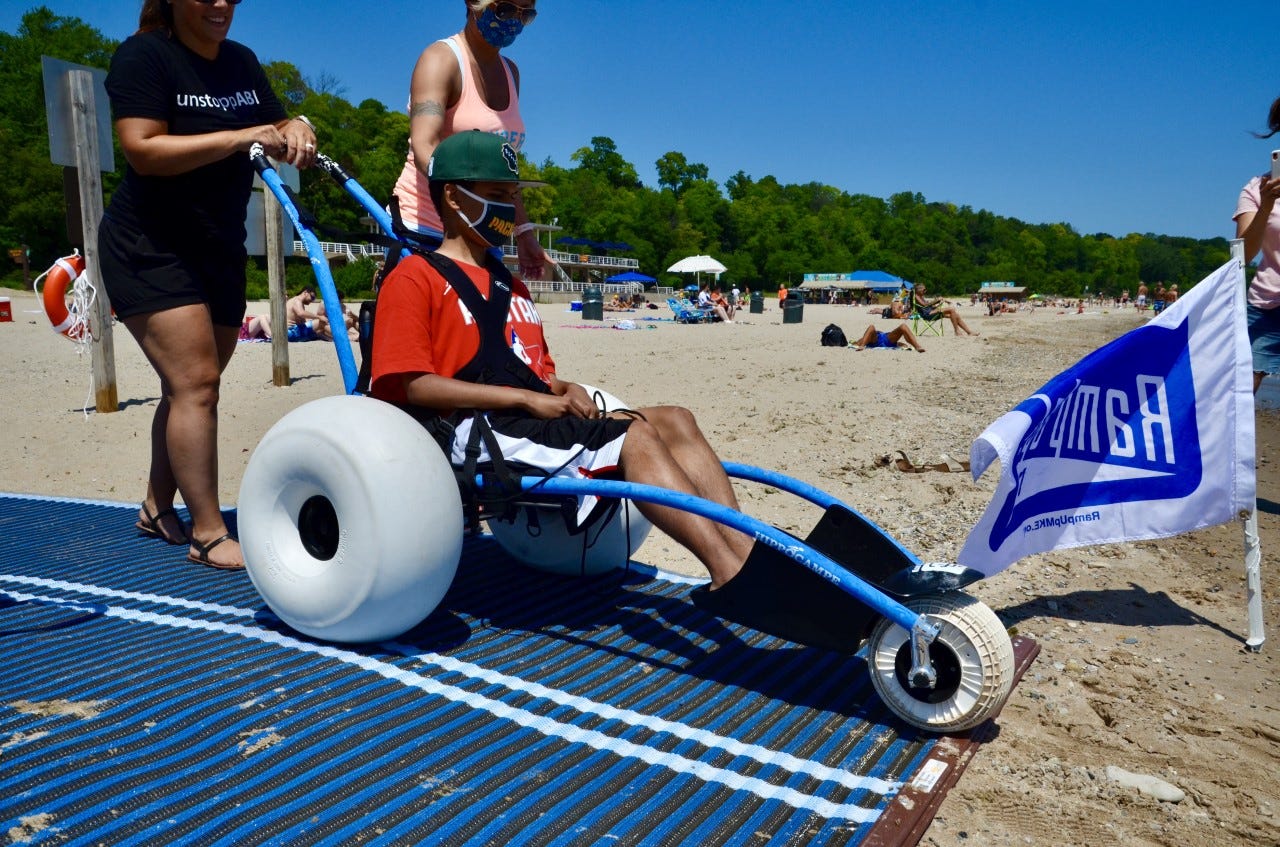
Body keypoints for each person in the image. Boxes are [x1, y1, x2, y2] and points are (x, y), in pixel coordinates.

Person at [370, 130, 753, 588]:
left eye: (512, 197)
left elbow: (531, 373)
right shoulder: (414, 277)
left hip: (521, 420)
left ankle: (748, 556)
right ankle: (730, 576)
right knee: (631, 437)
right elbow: (409, 383)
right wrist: (525, 401)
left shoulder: (510, 285)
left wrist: (559, 387)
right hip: (473, 429)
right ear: (452, 196)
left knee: (676, 420)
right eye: (497, 195)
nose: (509, 210)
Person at [97, 0, 316, 570]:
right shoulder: (145, 56)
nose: (221, 5)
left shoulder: (241, 62)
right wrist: (239, 136)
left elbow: (277, 122)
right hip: (149, 245)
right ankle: (209, 531)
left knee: (190, 385)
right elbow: (143, 150)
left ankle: (154, 505)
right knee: (196, 383)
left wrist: (297, 126)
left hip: (218, 246)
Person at [389, 0, 554, 279]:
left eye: (526, 15)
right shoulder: (441, 60)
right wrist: (463, 200)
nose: (515, 21)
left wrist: (524, 233)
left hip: (486, 234)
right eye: (506, 9)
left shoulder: (511, 73)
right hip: (427, 229)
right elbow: (423, 145)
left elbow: (504, 169)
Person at [1234, 96, 1280, 394]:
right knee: (1240, 390)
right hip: (1267, 304)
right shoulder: (1256, 189)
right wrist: (1266, 206)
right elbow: (1243, 255)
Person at [909, 283, 979, 336]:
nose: (925, 291)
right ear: (918, 290)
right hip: (928, 314)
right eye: (924, 290)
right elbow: (924, 305)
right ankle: (957, 331)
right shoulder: (916, 296)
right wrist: (936, 300)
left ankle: (969, 332)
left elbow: (928, 305)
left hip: (931, 311)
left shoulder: (921, 296)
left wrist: (939, 302)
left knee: (955, 315)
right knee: (952, 309)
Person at [852, 322, 925, 352]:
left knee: (903, 326)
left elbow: (899, 343)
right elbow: (857, 342)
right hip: (876, 341)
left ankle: (917, 346)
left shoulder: (868, 336)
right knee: (871, 327)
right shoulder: (867, 337)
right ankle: (862, 346)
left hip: (886, 338)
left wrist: (902, 344)